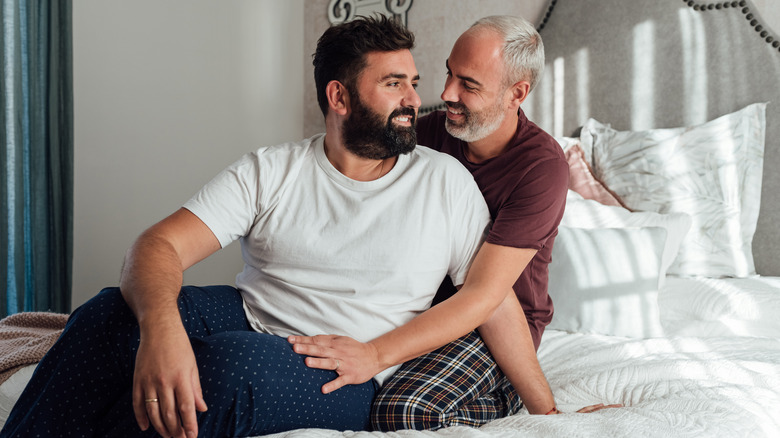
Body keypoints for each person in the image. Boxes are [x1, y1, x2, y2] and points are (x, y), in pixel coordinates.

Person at [0, 15, 532, 438]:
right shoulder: (272, 169)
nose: (416, 100)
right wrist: (162, 331)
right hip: (254, 315)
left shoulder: (446, 181)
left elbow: (492, 297)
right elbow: (158, 244)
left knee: (226, 370)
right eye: (394, 84)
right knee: (108, 314)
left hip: (351, 364)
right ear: (339, 97)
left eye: (413, 84)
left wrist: (546, 408)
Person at [371, 16, 617, 431]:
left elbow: (485, 298)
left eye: (468, 84)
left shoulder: (540, 166)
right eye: (449, 73)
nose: (446, 93)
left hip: (500, 326)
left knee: (404, 410)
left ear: (516, 93)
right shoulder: (428, 135)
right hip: (419, 305)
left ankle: (504, 399)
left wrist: (549, 415)